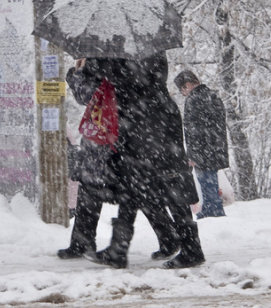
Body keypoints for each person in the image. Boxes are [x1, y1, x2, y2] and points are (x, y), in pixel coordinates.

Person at [73, 53, 205, 269]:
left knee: (154, 188)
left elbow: (103, 78)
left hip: (146, 126)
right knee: (143, 188)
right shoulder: (149, 51)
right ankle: (121, 249)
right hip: (154, 120)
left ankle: (189, 248)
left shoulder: (122, 56)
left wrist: (83, 68)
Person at [58, 59, 181, 262]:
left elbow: (86, 94)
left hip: (107, 136)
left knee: (98, 188)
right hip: (131, 132)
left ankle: (87, 243)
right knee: (139, 190)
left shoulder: (103, 59)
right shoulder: (143, 59)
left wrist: (76, 74)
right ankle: (168, 236)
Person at [173, 70, 230, 219]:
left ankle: (212, 213)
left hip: (202, 150)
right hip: (215, 147)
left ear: (188, 85)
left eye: (182, 89)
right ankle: (212, 210)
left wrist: (193, 155)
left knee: (206, 183)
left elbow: (194, 131)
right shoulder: (212, 95)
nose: (183, 94)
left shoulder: (194, 99)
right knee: (211, 181)